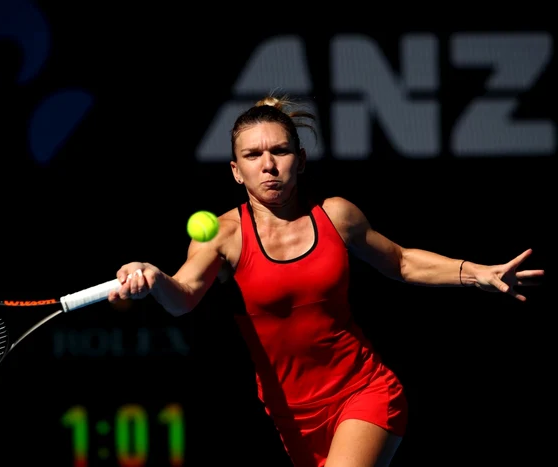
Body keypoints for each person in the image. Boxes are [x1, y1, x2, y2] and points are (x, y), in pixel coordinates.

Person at [107, 94, 545, 467]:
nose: (268, 166)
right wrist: (153, 277)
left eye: (279, 152)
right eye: (253, 156)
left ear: (300, 160)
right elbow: (182, 297)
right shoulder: (224, 234)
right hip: (292, 417)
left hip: (365, 391)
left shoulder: (337, 215)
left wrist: (476, 273)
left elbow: (402, 261)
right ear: (236, 170)